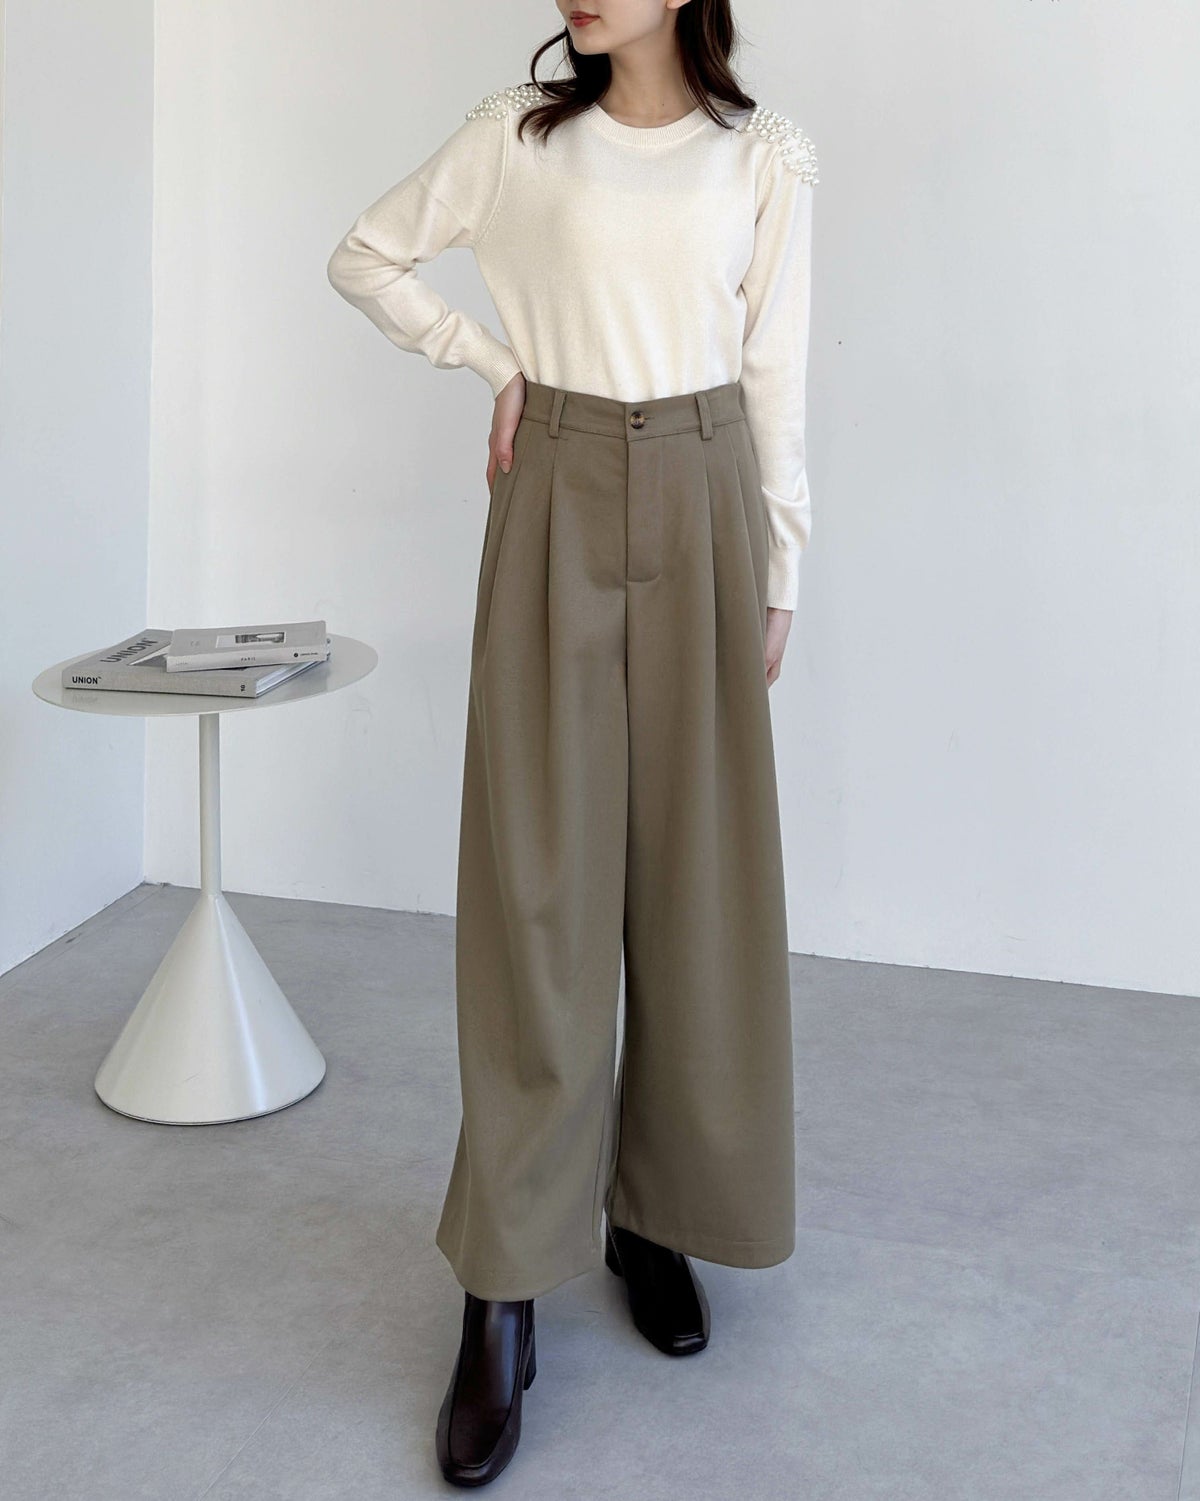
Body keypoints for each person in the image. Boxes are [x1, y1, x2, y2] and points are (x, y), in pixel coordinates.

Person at [327, 0, 818, 1485]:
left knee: (694, 888)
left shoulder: (765, 156)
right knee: (538, 894)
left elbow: (776, 367)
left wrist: (782, 566)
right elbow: (366, 253)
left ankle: (655, 1218)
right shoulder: (518, 140)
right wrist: (492, 362)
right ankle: (501, 1290)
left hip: (708, 487)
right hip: (554, 486)